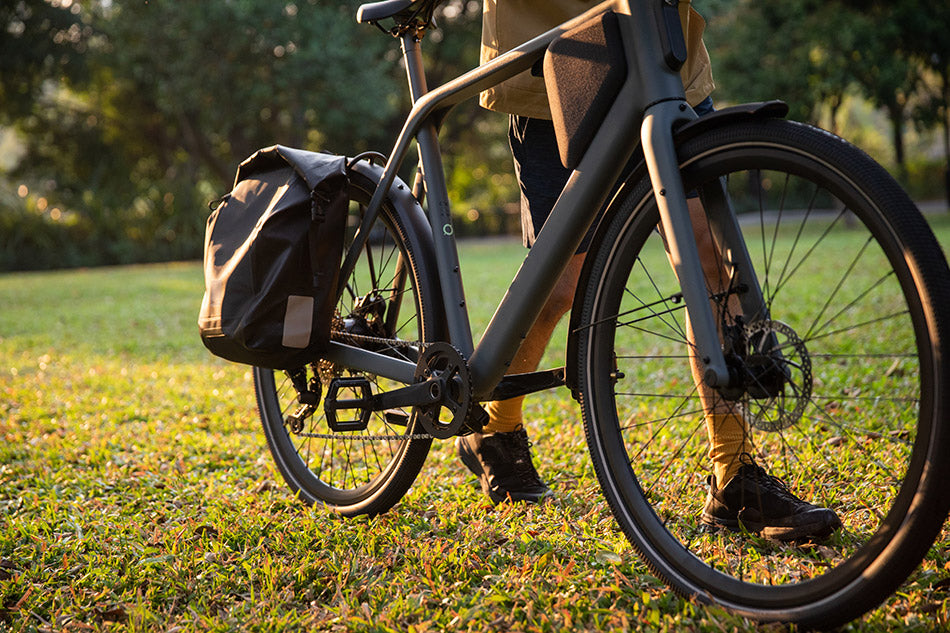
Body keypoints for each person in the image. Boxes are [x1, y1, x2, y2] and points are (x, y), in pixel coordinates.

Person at [457, 0, 841, 541]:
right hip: (560, 62)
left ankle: (733, 478)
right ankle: (495, 429)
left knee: (710, 254)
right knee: (562, 284)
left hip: (663, 57)